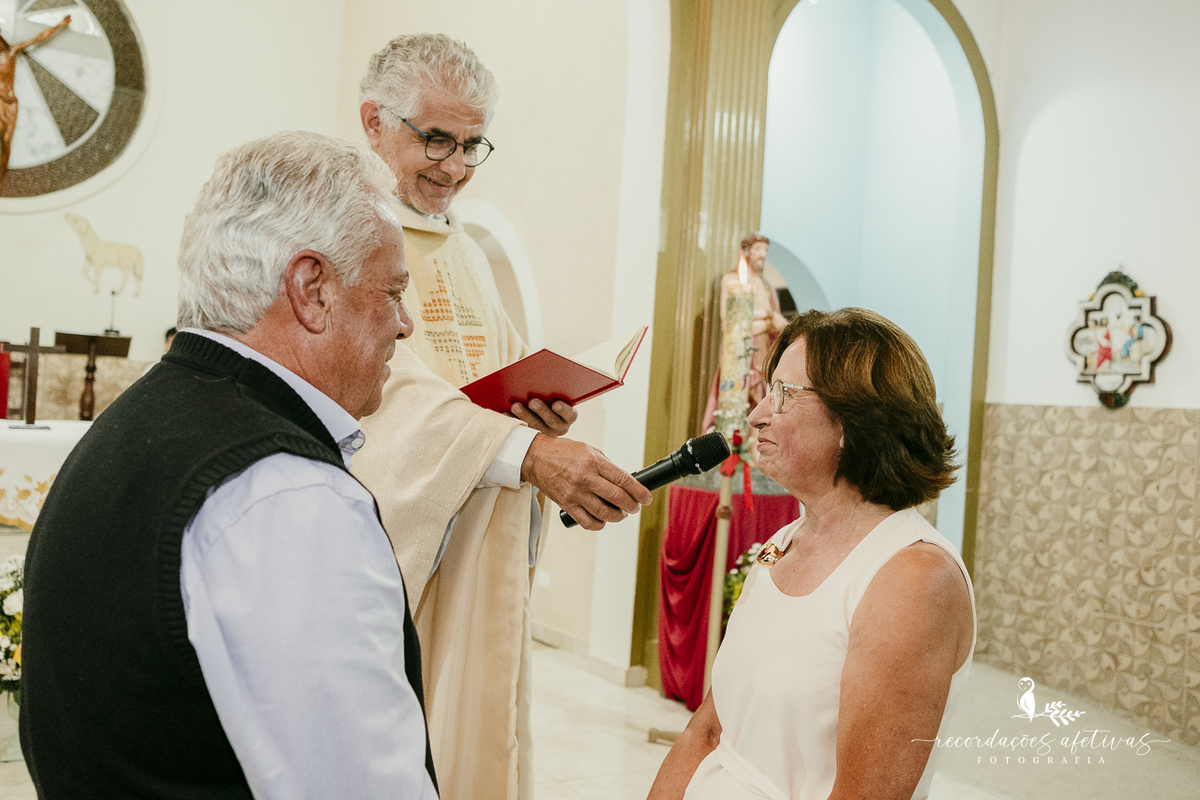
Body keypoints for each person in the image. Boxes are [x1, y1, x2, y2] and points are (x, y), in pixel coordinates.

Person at [21, 131, 438, 799]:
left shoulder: (141, 420)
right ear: (312, 288)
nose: (404, 323)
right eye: (391, 291)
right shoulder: (285, 495)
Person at [352, 33, 653, 800]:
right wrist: (522, 453)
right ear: (373, 123)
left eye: (472, 144)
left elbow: (491, 373)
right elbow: (381, 397)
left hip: (479, 542)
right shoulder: (347, 237)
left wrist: (540, 411)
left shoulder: (461, 251)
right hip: (398, 554)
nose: (454, 166)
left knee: (474, 731)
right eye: (436, 139)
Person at [649, 307, 975, 800]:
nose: (757, 414)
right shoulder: (782, 543)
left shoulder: (913, 578)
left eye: (782, 394)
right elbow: (709, 732)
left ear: (852, 421)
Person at [701, 233, 789, 433]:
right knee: (735, 395)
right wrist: (766, 318)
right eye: (758, 249)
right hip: (739, 347)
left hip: (762, 347)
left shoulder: (766, 286)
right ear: (747, 251)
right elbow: (730, 318)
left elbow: (777, 321)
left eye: (765, 250)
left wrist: (765, 320)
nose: (762, 254)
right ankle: (731, 444)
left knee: (760, 397)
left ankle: (752, 448)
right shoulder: (731, 280)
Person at [0, 14, 71, 184]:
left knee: (6, 142)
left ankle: (1, 177)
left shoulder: (12, 51)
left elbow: (38, 38)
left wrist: (60, 25)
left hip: (11, 103)